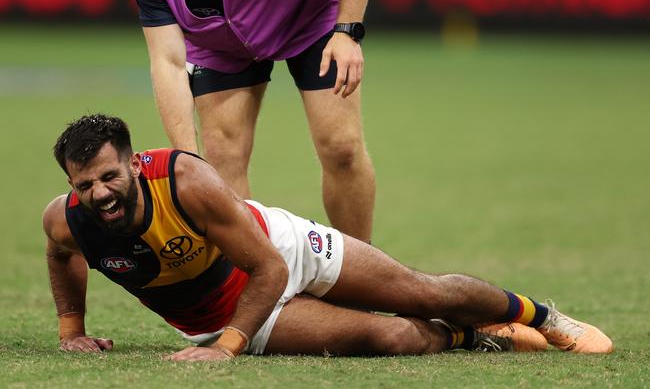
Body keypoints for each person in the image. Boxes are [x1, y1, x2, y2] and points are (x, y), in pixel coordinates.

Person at [44, 115, 613, 360]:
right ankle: (479, 339)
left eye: (110, 177)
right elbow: (59, 251)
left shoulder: (185, 181)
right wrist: (73, 329)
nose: (100, 194)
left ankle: (543, 318)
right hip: (231, 313)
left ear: (135, 166)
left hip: (280, 249)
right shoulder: (67, 219)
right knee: (391, 340)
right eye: (85, 184)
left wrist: (224, 354)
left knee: (425, 292)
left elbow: (268, 269)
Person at [134, 0, 376, 242]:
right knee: (220, 159)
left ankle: (363, 276)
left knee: (341, 147)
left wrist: (348, 32)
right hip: (221, 42)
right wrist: (187, 159)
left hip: (311, 16)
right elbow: (168, 64)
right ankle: (257, 278)